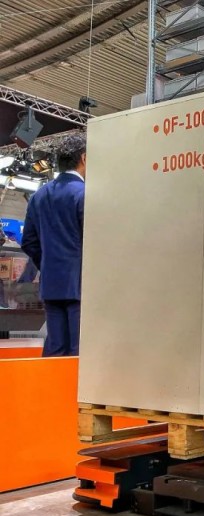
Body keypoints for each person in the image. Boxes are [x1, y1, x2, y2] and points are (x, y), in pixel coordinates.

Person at [21, 134, 86, 356]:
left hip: (51, 284)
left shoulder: (39, 196)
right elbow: (94, 241)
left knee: (55, 350)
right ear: (84, 158)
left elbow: (29, 241)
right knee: (79, 351)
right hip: (81, 285)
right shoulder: (85, 194)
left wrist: (48, 263)